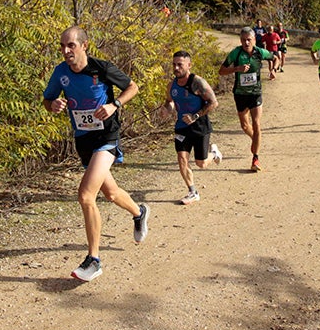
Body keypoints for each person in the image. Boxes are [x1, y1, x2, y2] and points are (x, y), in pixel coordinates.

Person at [43, 26, 150, 282]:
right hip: (84, 139)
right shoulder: (60, 73)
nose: (66, 51)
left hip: (107, 137)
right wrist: (53, 105)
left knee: (85, 196)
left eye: (71, 45)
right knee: (110, 193)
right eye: (63, 46)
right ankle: (139, 213)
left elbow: (132, 87)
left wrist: (114, 105)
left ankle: (94, 260)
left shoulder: (101, 68)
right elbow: (47, 100)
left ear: (84, 46)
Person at [160, 51, 223, 205]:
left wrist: (195, 116)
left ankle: (213, 154)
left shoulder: (198, 83)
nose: (176, 68)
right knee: (182, 159)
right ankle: (192, 191)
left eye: (180, 64)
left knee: (201, 163)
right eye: (174, 64)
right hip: (182, 128)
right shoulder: (172, 85)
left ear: (189, 65)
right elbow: (169, 101)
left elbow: (213, 102)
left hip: (200, 127)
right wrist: (167, 109)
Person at [219, 26, 275, 172]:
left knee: (256, 123)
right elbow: (221, 71)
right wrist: (236, 69)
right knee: (245, 126)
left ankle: (255, 158)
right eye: (243, 40)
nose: (246, 43)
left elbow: (273, 58)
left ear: (254, 40)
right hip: (240, 94)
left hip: (255, 93)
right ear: (240, 40)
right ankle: (256, 139)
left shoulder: (260, 52)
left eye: (249, 40)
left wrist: (273, 70)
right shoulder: (235, 53)